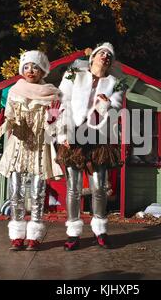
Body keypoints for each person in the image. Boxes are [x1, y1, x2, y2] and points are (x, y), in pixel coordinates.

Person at [0, 50, 63, 251]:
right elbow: (8, 121)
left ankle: (34, 237)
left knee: (38, 192)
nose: (30, 70)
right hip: (18, 148)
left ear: (42, 71)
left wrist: (52, 120)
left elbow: (55, 130)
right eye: (27, 66)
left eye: (35, 67)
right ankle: (17, 236)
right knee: (16, 193)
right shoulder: (14, 91)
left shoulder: (52, 94)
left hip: (39, 149)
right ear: (22, 70)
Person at [56, 42, 124, 251]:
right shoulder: (74, 74)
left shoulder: (116, 82)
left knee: (99, 187)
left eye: (109, 55)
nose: (105, 56)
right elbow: (61, 101)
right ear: (93, 57)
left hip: (98, 135)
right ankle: (73, 234)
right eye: (101, 53)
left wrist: (105, 103)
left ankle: (100, 231)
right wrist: (62, 131)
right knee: (73, 189)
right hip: (74, 133)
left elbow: (117, 105)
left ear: (110, 62)